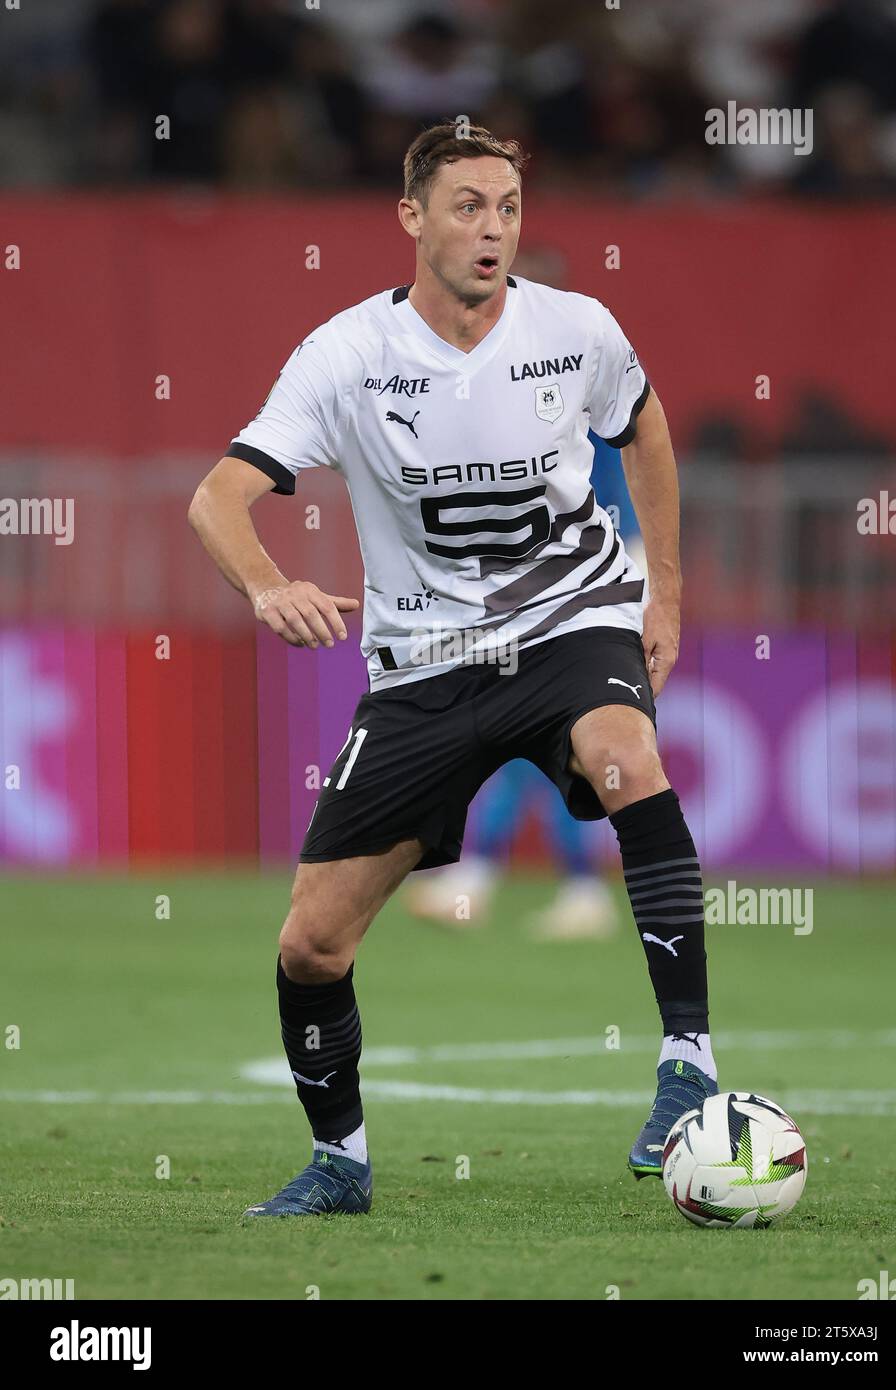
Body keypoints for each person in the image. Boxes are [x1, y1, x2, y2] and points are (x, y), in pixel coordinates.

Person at [187, 121, 717, 1216]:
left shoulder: (576, 330)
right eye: (468, 205)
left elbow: (646, 431)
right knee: (311, 943)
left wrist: (660, 593)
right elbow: (217, 496)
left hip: (573, 617)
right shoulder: (345, 356)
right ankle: (340, 1164)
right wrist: (267, 584)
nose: (492, 228)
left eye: (510, 207)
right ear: (411, 218)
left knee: (624, 755)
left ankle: (688, 1069)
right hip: (425, 666)